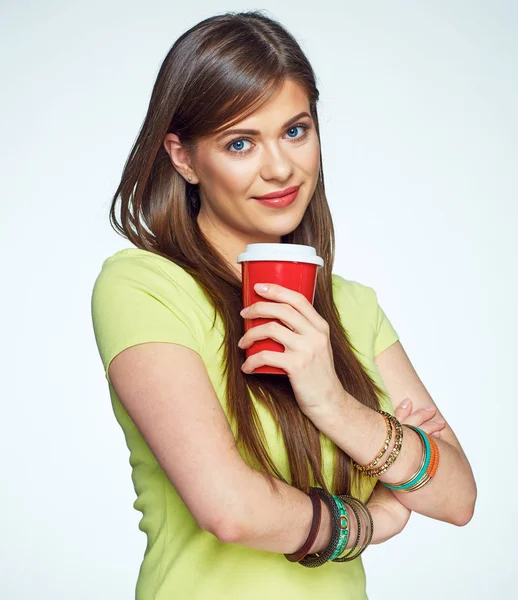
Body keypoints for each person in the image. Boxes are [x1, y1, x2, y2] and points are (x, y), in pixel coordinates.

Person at [91, 10, 476, 600]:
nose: (279, 168)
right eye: (240, 142)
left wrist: (333, 403)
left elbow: (457, 497)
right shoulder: (143, 286)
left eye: (295, 131)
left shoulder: (352, 305)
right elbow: (230, 509)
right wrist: (370, 519)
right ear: (184, 158)